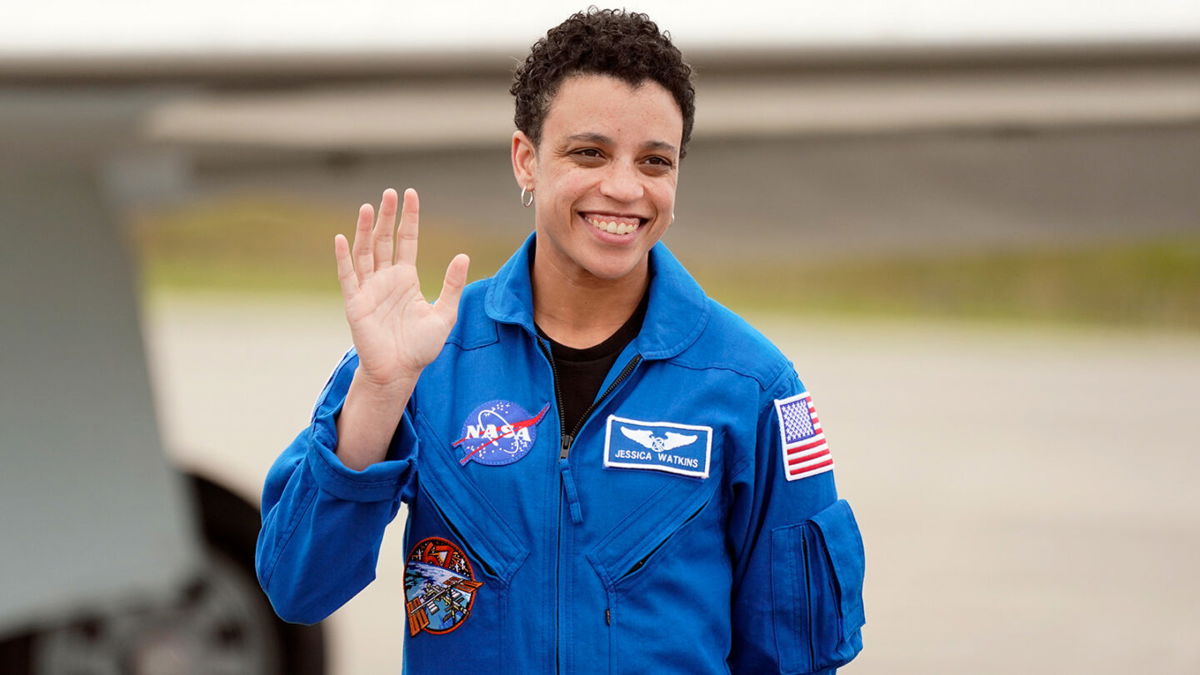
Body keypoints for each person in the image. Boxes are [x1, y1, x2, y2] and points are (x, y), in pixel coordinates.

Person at [256, 8, 865, 674]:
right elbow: (298, 586)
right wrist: (379, 391)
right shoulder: (428, 356)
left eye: (655, 162)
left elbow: (796, 656)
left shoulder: (753, 385)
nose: (624, 188)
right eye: (590, 152)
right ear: (527, 159)